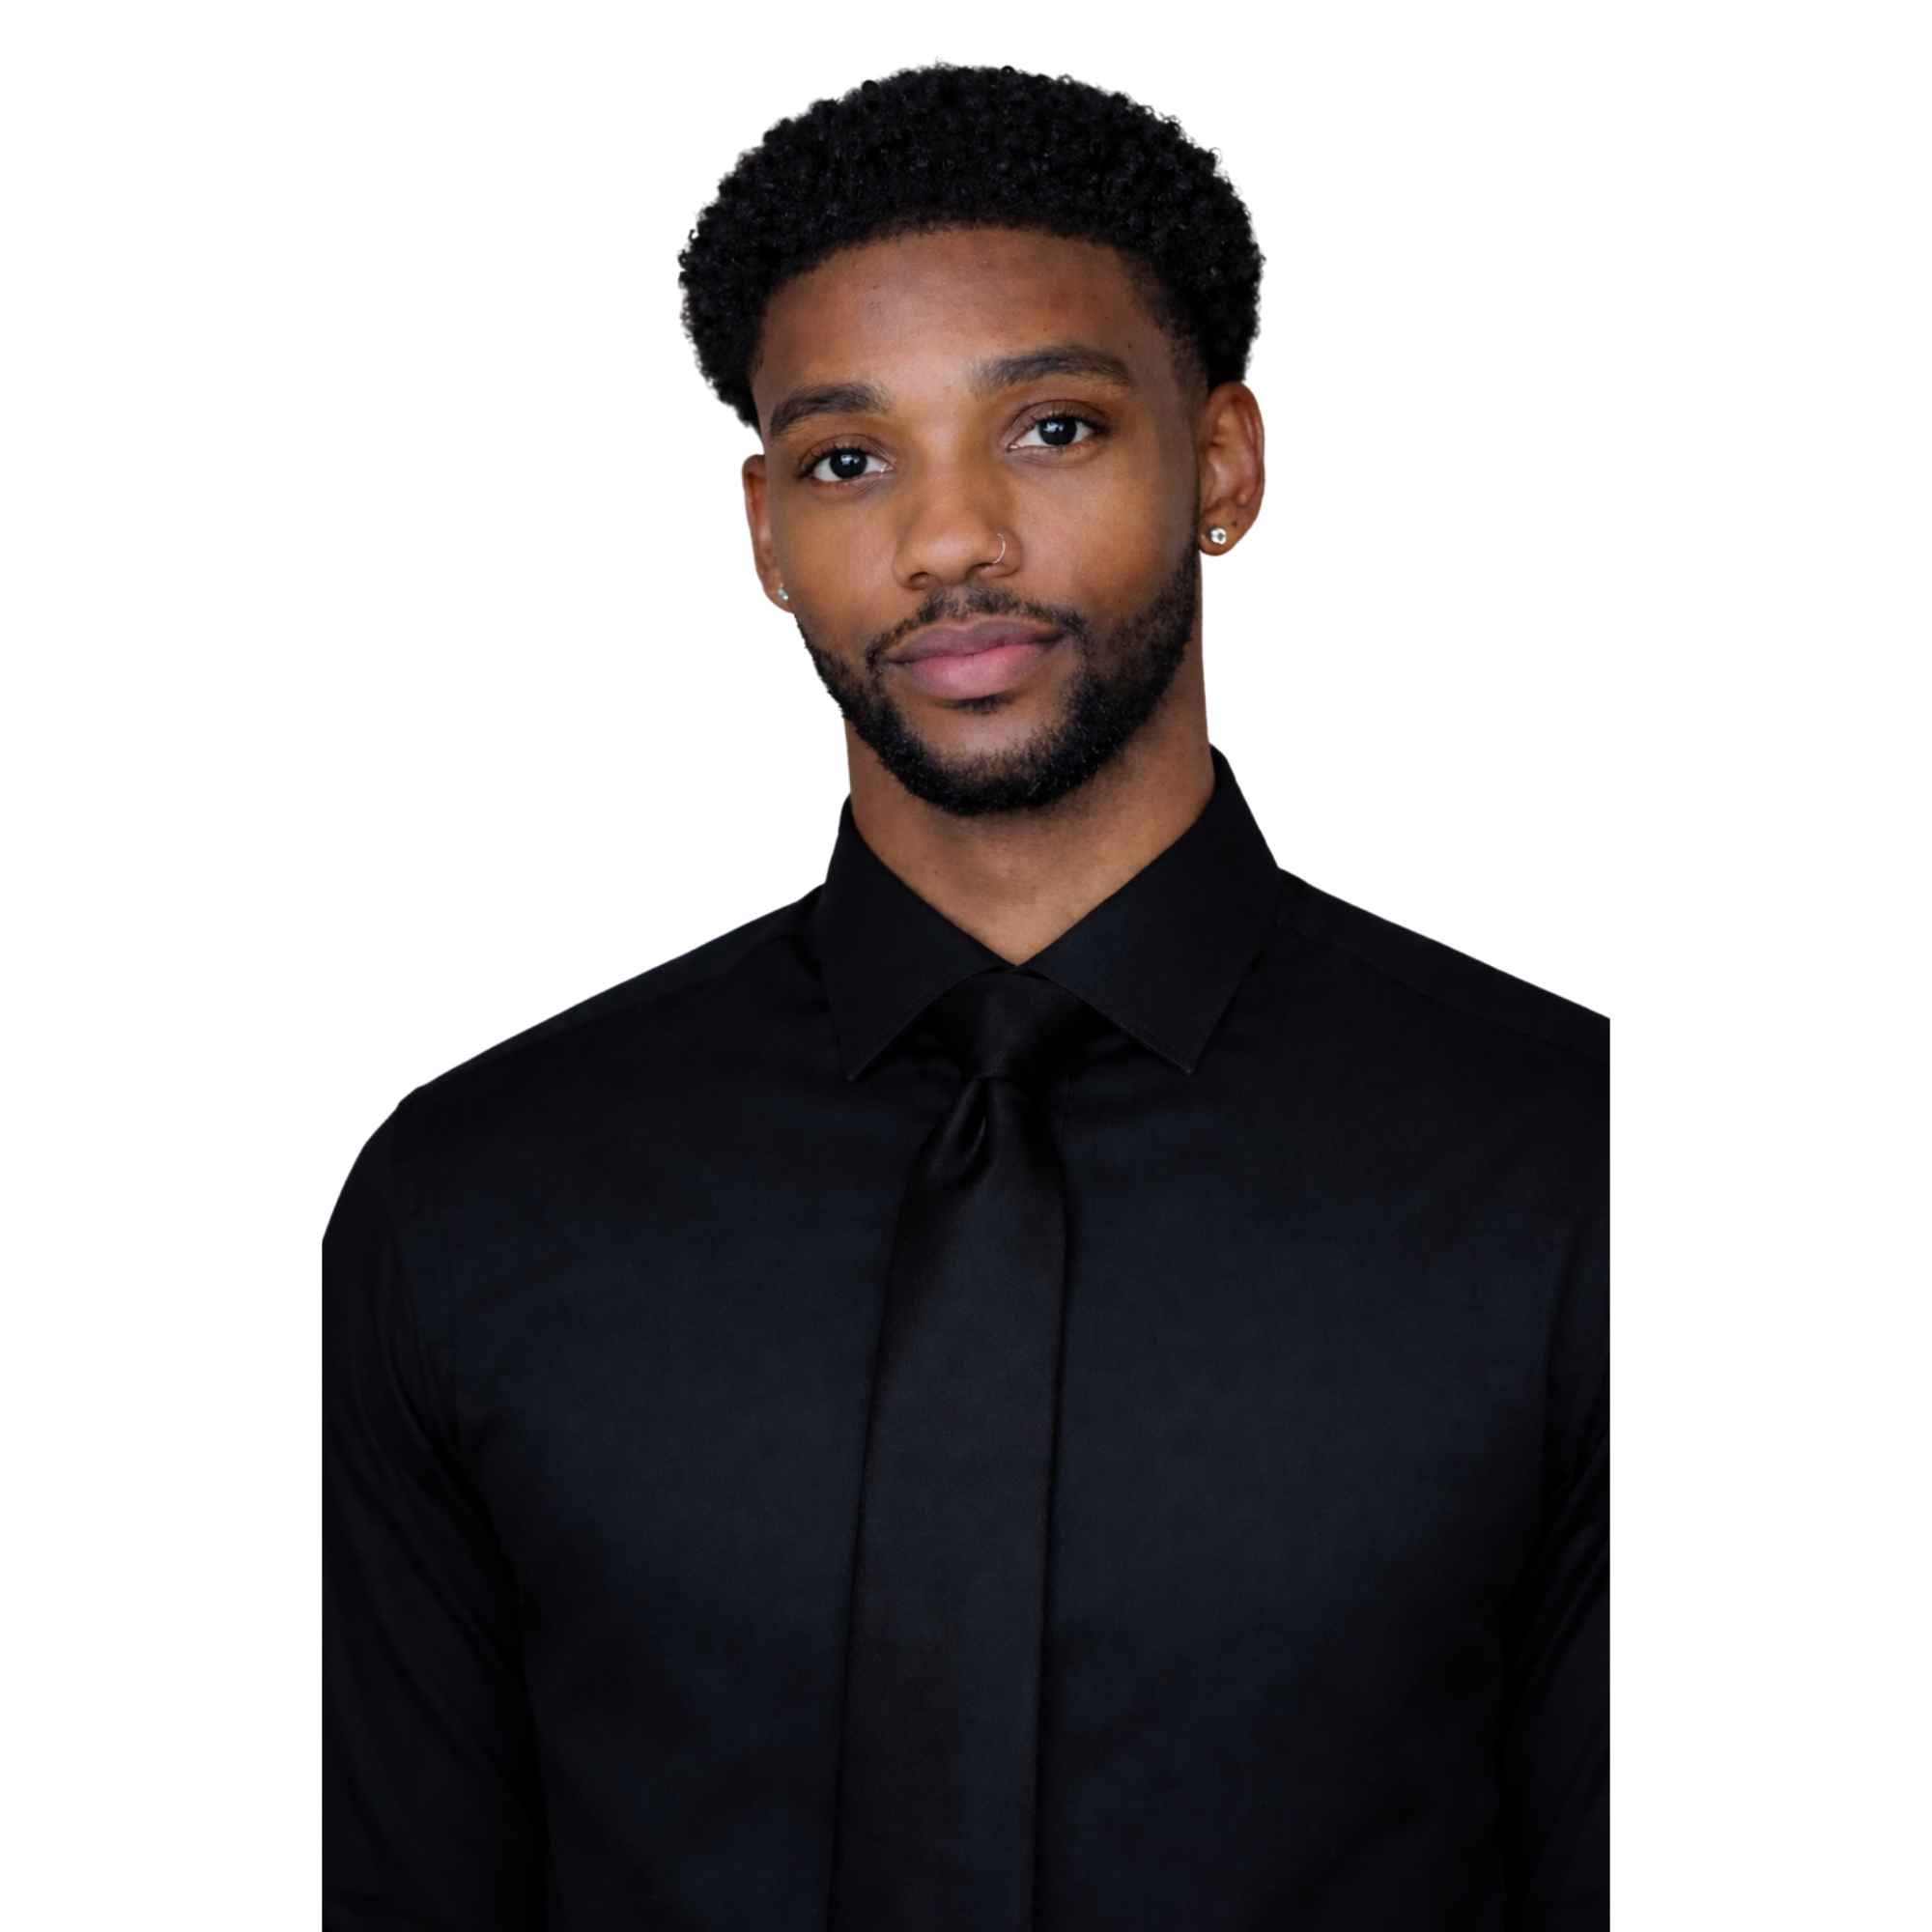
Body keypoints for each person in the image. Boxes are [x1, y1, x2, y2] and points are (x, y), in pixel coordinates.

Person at [323, 66, 1609, 1930]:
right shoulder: (462, 1208)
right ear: (765, 533)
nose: (948, 545)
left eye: (1054, 429)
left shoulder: (1567, 1172)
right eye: (852, 461)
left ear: (1226, 466)